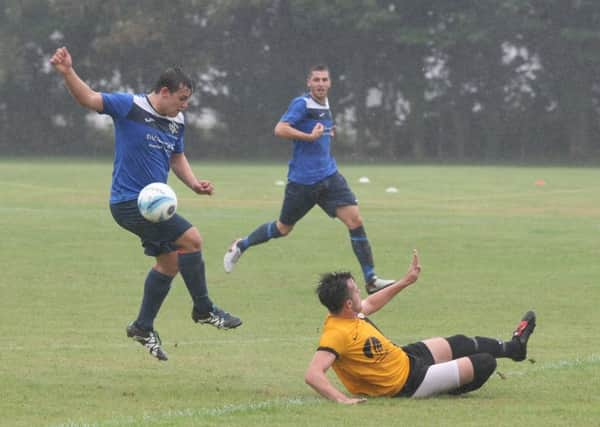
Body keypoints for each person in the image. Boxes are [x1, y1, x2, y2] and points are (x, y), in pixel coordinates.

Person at [50, 46, 242, 362]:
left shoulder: (176, 121)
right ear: (164, 91)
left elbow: (176, 156)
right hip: (128, 202)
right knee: (192, 240)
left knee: (169, 264)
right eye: (181, 98)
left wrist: (194, 183)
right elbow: (89, 99)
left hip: (154, 206)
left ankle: (142, 326)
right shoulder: (130, 106)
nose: (186, 104)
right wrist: (68, 71)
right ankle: (204, 309)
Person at [224, 64, 394, 294]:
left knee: (355, 221)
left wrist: (326, 132)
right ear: (309, 83)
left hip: (330, 177)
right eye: (316, 80)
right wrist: (308, 136)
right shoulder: (302, 103)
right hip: (303, 182)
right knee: (283, 228)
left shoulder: (326, 104)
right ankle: (241, 245)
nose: (321, 84)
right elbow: (280, 129)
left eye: (325, 80)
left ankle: (371, 279)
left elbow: (319, 129)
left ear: (330, 83)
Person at [305, 250, 536, 402]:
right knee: (485, 362)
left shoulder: (348, 313)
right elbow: (313, 375)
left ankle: (515, 348)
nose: (360, 293)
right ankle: (441, 386)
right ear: (347, 303)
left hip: (404, 358)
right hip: (408, 383)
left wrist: (406, 281)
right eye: (355, 291)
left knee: (461, 343)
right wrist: (342, 400)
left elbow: (372, 302)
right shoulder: (336, 334)